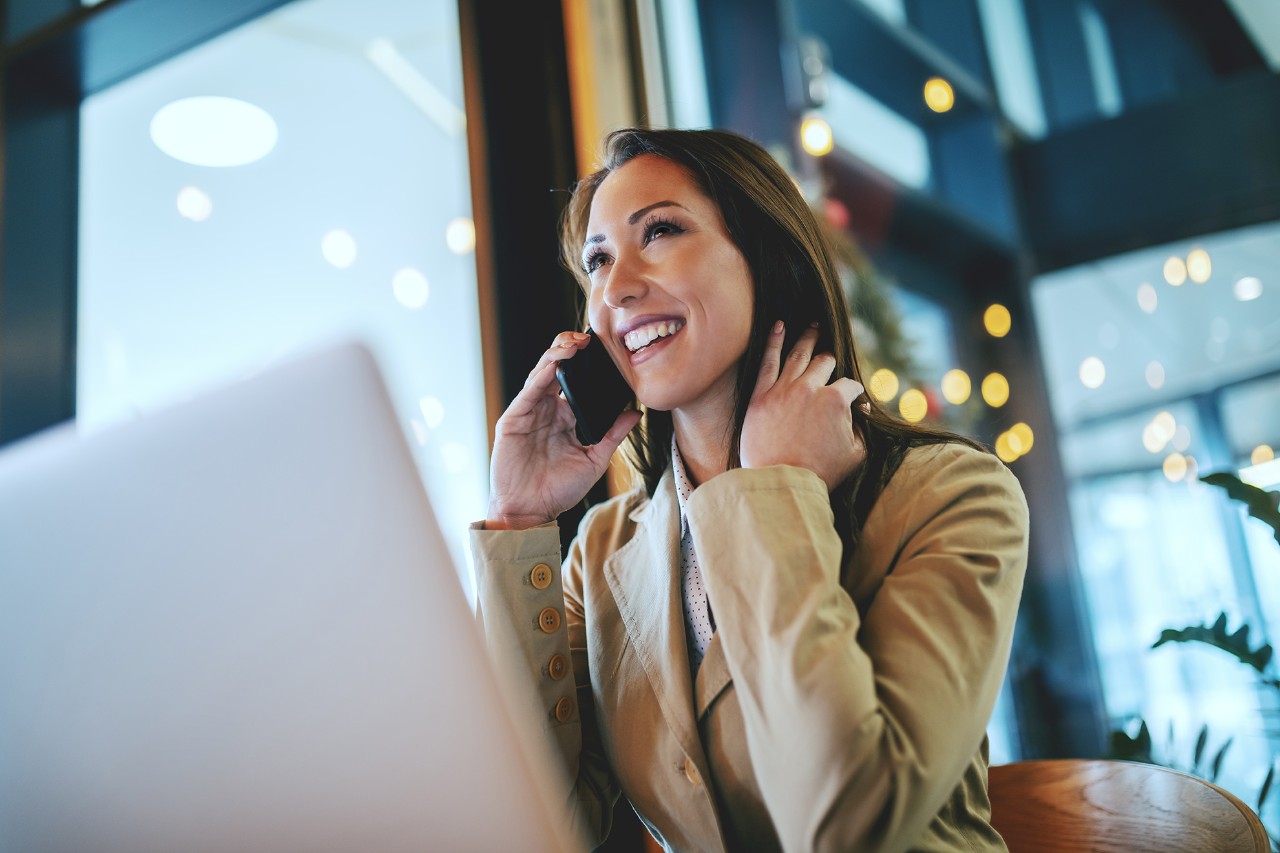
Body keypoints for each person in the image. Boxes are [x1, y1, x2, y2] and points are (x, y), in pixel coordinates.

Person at [471, 127, 1029, 853]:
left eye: (661, 231)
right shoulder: (601, 552)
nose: (615, 287)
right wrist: (519, 518)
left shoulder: (954, 495)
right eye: (598, 261)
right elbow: (533, 825)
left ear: (766, 256)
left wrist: (774, 492)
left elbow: (848, 824)